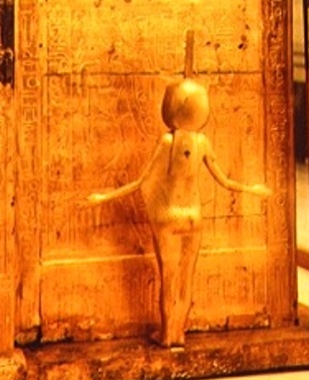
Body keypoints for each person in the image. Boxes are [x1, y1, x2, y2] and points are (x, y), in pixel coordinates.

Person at [87, 77, 271, 348]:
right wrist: (253, 190)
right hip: (194, 217)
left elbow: (140, 182)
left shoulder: (167, 142)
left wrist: (104, 197)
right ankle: (180, 333)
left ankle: (167, 334)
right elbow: (226, 181)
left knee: (169, 279)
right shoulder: (202, 142)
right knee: (187, 279)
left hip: (169, 216)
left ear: (170, 108)